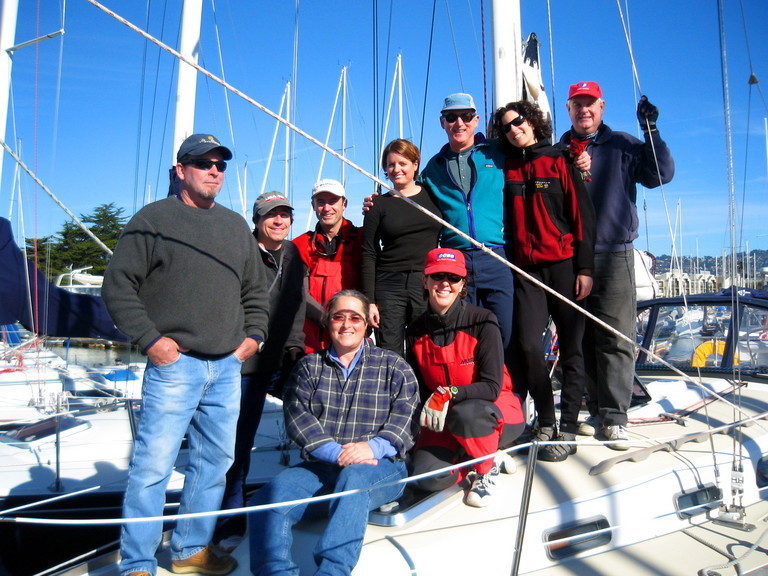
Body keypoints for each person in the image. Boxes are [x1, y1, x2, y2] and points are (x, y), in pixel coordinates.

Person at [102, 133, 269, 576]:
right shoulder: (152, 220)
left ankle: (189, 551)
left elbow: (255, 290)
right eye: (203, 163)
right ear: (180, 170)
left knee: (214, 464)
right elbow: (118, 288)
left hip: (228, 366)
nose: (215, 170)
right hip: (175, 366)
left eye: (220, 164)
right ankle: (137, 563)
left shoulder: (235, 226)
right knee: (153, 467)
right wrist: (153, 342)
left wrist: (254, 336)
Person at [248, 289, 419, 576]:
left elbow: (408, 417)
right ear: (329, 322)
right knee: (268, 497)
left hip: (381, 468)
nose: (347, 324)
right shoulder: (309, 367)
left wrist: (372, 447)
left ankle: (332, 571)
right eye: (339, 317)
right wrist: (337, 453)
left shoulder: (393, 366)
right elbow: (298, 417)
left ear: (366, 324)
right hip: (322, 467)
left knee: (354, 478)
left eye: (355, 317)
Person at [558, 81, 675, 449]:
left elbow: (660, 174)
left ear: (602, 106)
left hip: (613, 252)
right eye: (577, 104)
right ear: (568, 109)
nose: (584, 110)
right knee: (581, 338)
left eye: (590, 103)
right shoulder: (558, 150)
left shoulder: (623, 144)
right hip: (571, 256)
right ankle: (594, 408)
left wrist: (650, 130)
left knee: (616, 337)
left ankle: (615, 416)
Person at [493, 101, 595, 462]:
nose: (513, 129)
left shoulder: (561, 160)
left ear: (532, 122)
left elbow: (582, 217)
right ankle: (546, 420)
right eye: (506, 127)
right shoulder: (508, 168)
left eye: (518, 121)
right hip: (527, 271)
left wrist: (585, 269)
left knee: (572, 349)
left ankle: (567, 427)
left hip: (565, 267)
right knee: (529, 347)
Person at [214, 191, 306, 551]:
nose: (280, 221)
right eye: (272, 215)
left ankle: (314, 500)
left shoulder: (294, 253)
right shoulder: (242, 253)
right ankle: (229, 523)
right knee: (238, 447)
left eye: (285, 215)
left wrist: (296, 345)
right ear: (257, 220)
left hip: (283, 360)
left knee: (318, 424)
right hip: (247, 364)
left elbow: (297, 303)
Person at [406, 248, 525, 507]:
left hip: (495, 412)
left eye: (454, 277)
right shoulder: (415, 331)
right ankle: (474, 456)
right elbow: (419, 390)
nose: (445, 283)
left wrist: (450, 392)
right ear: (425, 281)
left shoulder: (483, 321)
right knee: (425, 478)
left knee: (468, 414)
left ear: (462, 285)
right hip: (448, 418)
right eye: (437, 276)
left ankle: (485, 470)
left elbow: (492, 387)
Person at [418, 93, 515, 350]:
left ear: (476, 120)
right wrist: (377, 200)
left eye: (466, 116)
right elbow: (410, 195)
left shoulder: (497, 153)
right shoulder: (434, 167)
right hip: (457, 261)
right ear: (442, 122)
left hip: (496, 256)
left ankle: (503, 387)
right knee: (465, 336)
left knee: (504, 331)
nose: (459, 122)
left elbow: (534, 152)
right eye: (451, 117)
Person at [361, 138, 442, 355]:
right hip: (389, 285)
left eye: (403, 163)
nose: (396, 169)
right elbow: (368, 252)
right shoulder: (378, 204)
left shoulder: (433, 196)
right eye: (390, 165)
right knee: (390, 351)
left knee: (425, 348)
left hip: (424, 283)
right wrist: (370, 301)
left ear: (415, 165)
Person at [294, 179, 363, 353]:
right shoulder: (301, 244)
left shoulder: (362, 239)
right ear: (313, 205)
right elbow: (300, 293)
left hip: (352, 339)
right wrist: (328, 320)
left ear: (344, 204)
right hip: (312, 342)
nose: (327, 208)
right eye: (320, 202)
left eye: (333, 201)